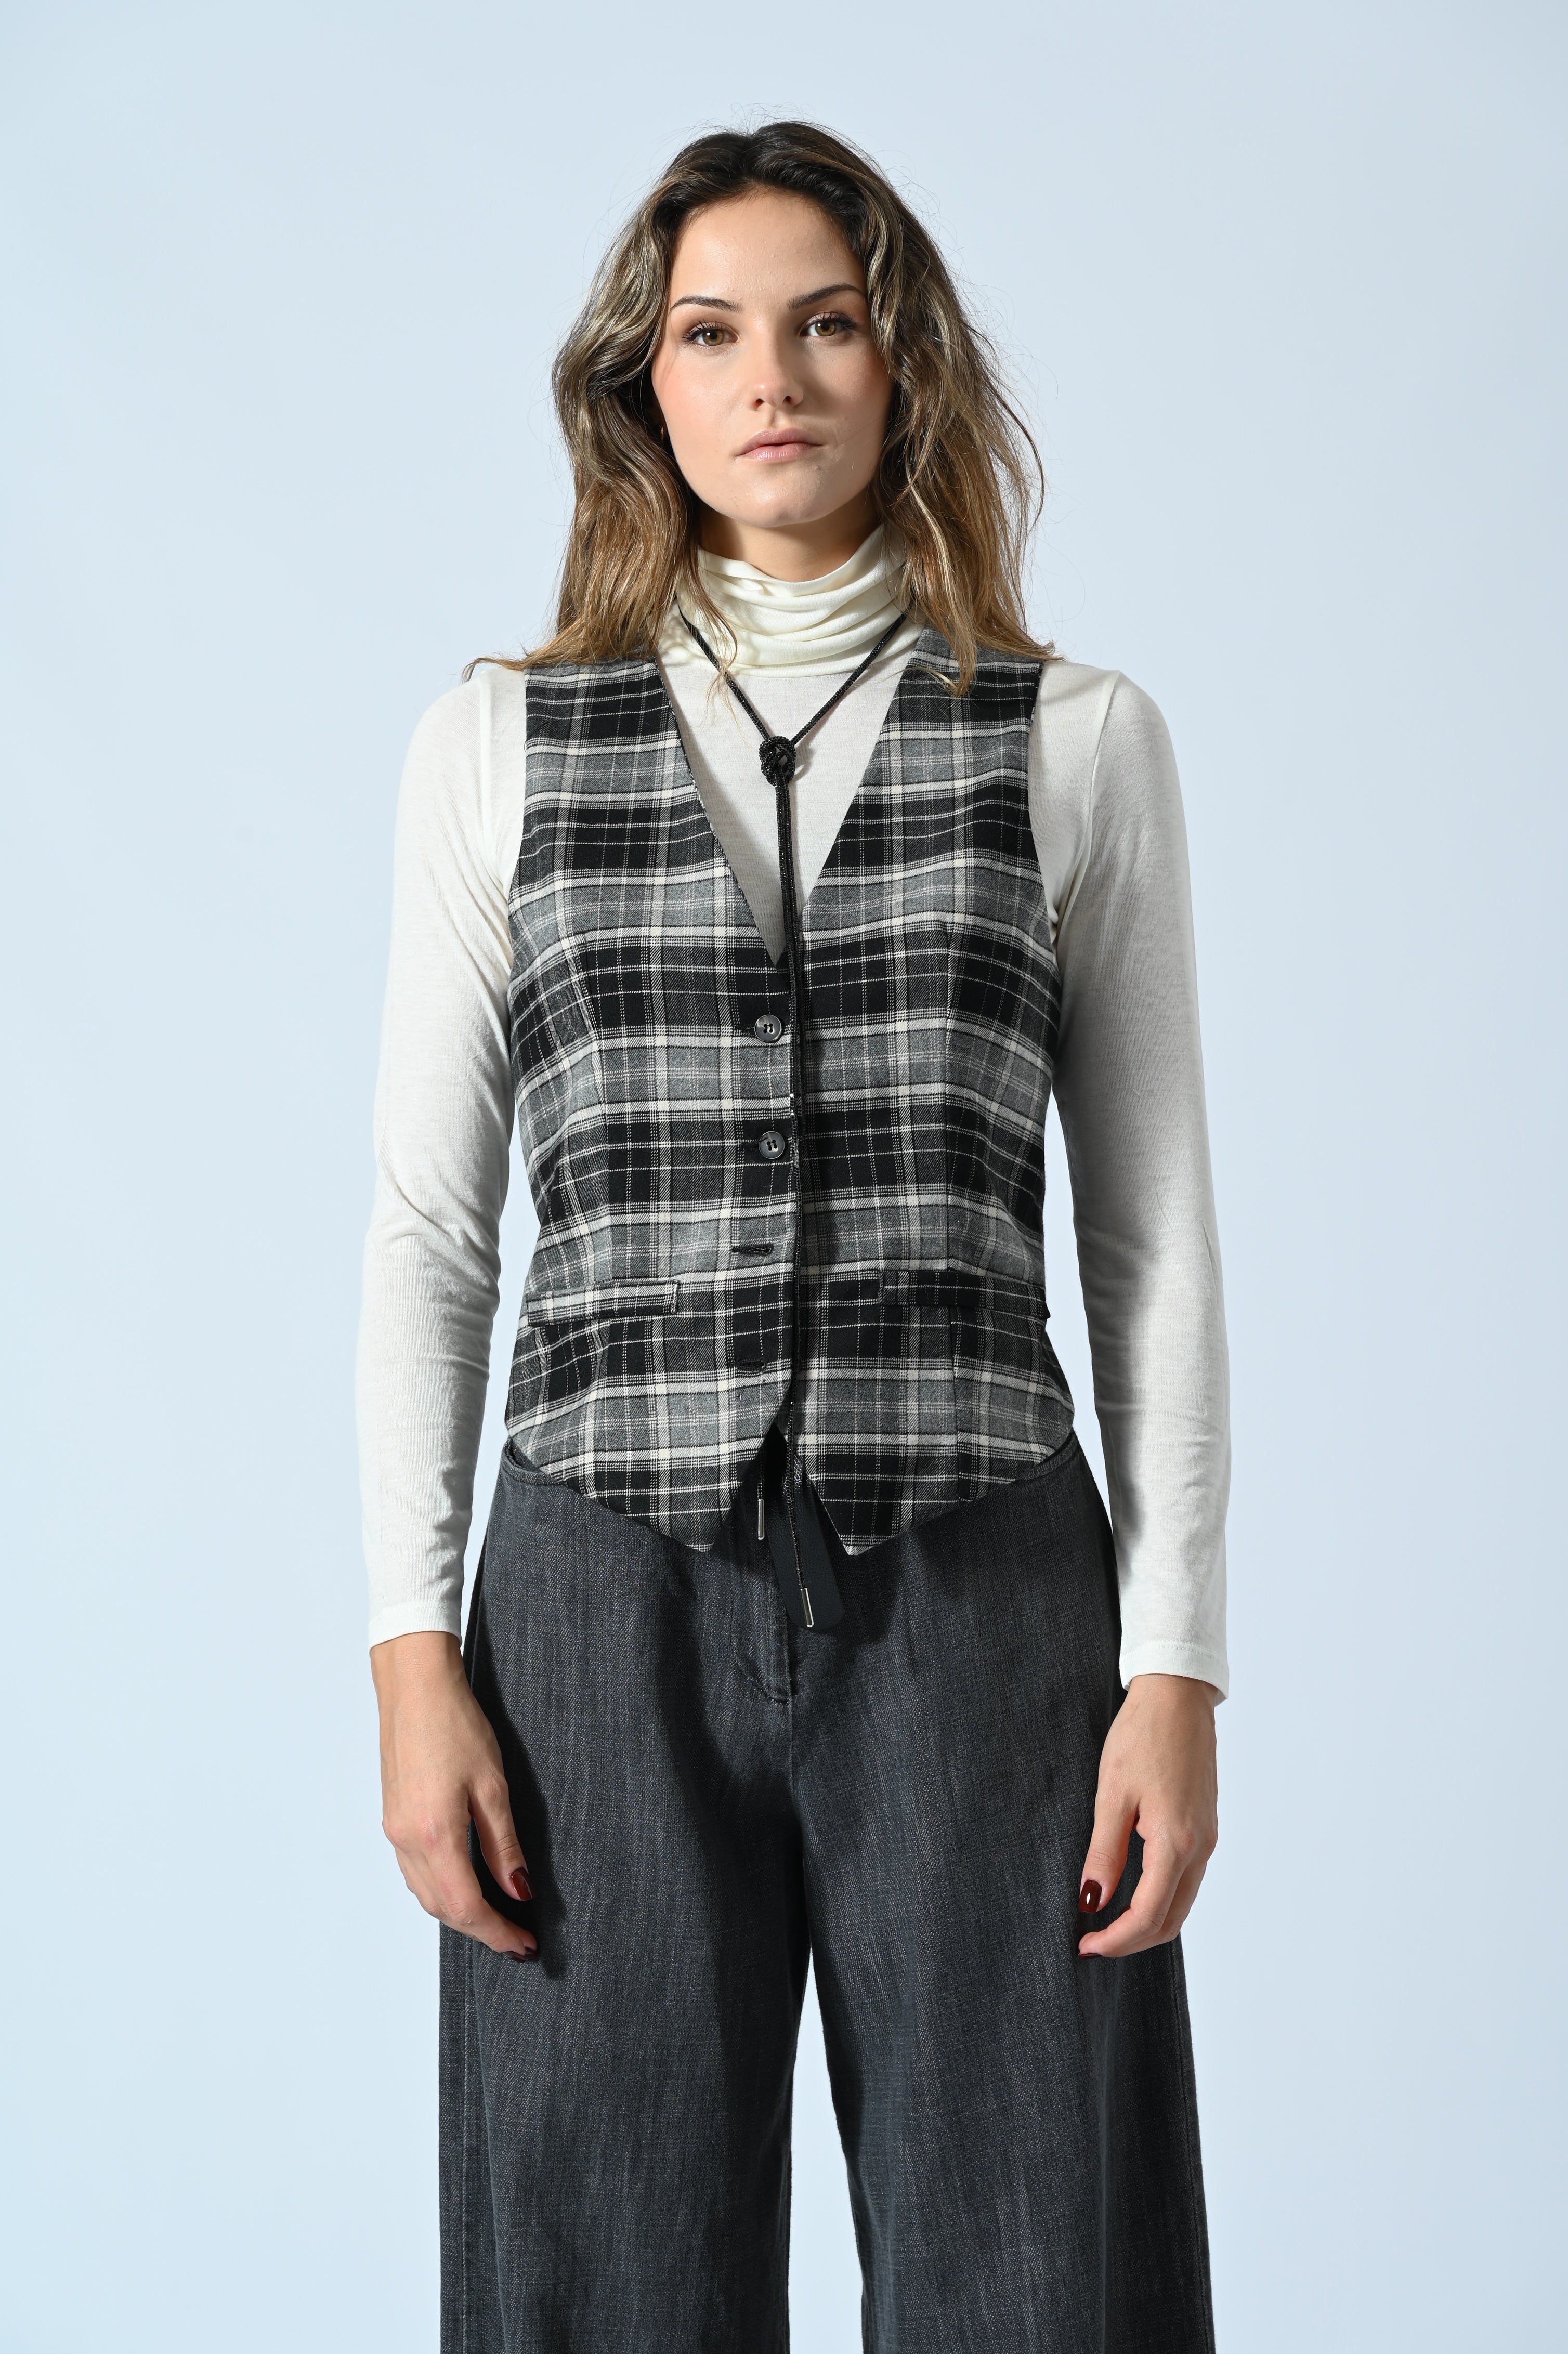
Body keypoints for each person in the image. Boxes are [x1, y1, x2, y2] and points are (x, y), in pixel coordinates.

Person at [357, 118, 1229, 2353]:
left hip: (985, 1586)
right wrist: (411, 1654)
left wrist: (1174, 1669)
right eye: (713, 331)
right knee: (599, 2272)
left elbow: (1148, 1241)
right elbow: (433, 1232)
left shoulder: (1077, 742)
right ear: (638, 381)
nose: (773, 376)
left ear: (901, 358)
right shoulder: (494, 746)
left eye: (827, 322)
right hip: (595, 1599)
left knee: (1036, 2265)